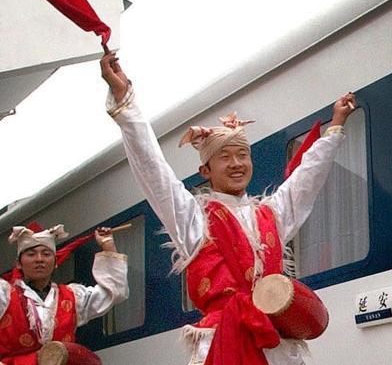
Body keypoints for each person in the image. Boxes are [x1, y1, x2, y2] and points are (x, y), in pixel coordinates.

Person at [100, 52, 356, 365]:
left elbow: (305, 181)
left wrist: (335, 127)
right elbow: (154, 172)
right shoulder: (195, 220)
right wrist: (126, 105)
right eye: (225, 157)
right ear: (205, 170)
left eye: (242, 155)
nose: (236, 164)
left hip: (275, 344)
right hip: (221, 344)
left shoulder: (271, 215)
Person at [0, 225, 128, 364]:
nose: (39, 259)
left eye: (46, 254)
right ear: (18, 263)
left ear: (55, 262)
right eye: (31, 254)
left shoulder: (72, 296)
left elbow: (113, 291)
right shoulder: (5, 295)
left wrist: (107, 245)